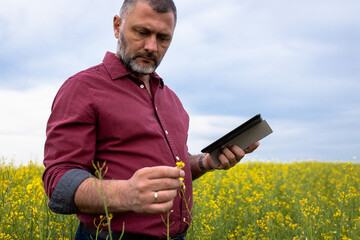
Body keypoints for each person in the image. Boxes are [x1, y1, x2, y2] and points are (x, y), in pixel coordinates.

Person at [42, 0, 259, 239]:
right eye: (142, 32)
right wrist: (126, 193)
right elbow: (58, 179)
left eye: (163, 38)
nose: (152, 46)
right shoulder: (83, 88)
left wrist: (206, 162)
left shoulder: (171, 100)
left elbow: (173, 168)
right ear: (117, 26)